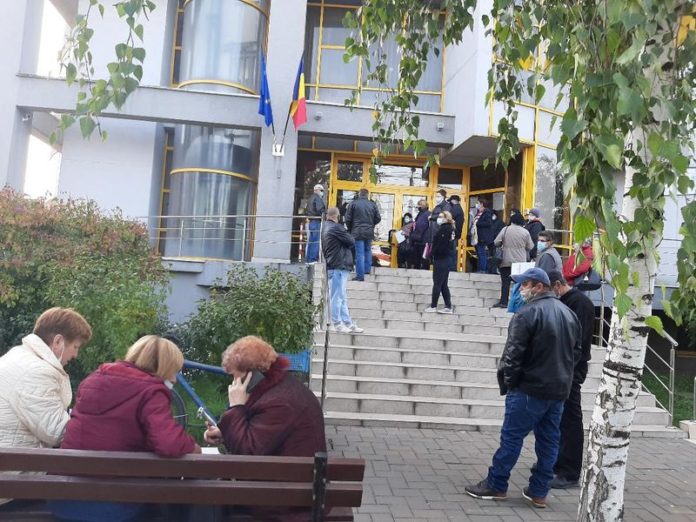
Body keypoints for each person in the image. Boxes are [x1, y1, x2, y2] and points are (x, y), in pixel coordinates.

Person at [465, 268, 581, 509]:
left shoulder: (526, 313)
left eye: (524, 285)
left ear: (539, 286)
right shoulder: (569, 314)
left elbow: (513, 355)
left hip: (529, 389)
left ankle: (496, 484)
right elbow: (576, 353)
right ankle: (539, 491)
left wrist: (511, 383)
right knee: (549, 442)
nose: (520, 290)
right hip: (557, 390)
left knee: (512, 438)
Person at [50, 335, 200, 522]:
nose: (174, 379)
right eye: (173, 371)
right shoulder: (152, 390)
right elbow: (168, 443)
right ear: (162, 367)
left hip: (64, 500)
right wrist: (194, 448)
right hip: (114, 507)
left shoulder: (93, 380)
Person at [0, 308, 92, 507]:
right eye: (75, 346)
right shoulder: (37, 371)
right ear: (58, 341)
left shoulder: (18, 357)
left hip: (10, 474)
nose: (75, 354)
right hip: (13, 485)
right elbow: (57, 431)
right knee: (87, 493)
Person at [547, 270, 595, 489]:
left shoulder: (580, 303)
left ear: (558, 285)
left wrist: (568, 367)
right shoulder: (564, 302)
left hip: (571, 369)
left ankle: (569, 471)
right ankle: (557, 462)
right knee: (558, 418)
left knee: (570, 419)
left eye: (549, 290)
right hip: (560, 367)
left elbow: (579, 341)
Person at [321, 207, 364, 333]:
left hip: (335, 265)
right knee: (337, 297)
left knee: (341, 296)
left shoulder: (325, 227)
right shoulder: (336, 228)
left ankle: (347, 323)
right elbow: (351, 241)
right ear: (336, 216)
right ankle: (337, 323)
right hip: (338, 266)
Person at [492, 212, 533, 308]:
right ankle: (521, 301)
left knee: (505, 282)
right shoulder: (525, 232)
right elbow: (530, 246)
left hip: (506, 260)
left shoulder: (505, 229)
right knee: (519, 282)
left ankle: (503, 301)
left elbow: (496, 242)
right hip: (520, 262)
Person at [345, 188, 381, 281]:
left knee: (359, 253)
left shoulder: (353, 204)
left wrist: (351, 228)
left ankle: (360, 276)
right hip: (369, 231)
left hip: (357, 231)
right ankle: (367, 270)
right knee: (368, 250)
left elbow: (347, 219)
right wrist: (371, 224)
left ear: (359, 194)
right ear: (367, 195)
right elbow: (378, 218)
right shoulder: (372, 204)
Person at [424, 211, 455, 314]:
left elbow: (441, 245)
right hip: (445, 259)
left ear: (446, 218)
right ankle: (448, 306)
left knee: (437, 283)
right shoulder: (449, 229)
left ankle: (433, 306)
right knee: (443, 284)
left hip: (441, 259)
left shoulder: (445, 229)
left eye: (441, 217)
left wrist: (432, 253)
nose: (439, 218)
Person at [471, 197, 495, 273]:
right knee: (479, 253)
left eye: (477, 203)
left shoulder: (487, 212)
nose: (476, 205)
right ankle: (481, 269)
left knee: (481, 253)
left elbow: (488, 223)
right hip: (477, 236)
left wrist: (477, 223)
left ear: (481, 204)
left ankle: (482, 269)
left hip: (483, 236)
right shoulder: (479, 213)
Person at [305, 184, 326, 263]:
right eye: (321, 190)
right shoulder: (317, 198)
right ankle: (312, 259)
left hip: (312, 221)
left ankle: (309, 259)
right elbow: (320, 209)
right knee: (316, 241)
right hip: (316, 221)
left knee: (311, 241)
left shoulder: (310, 198)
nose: (322, 192)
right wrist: (324, 214)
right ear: (317, 190)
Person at [409, 199, 431, 270]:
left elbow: (420, 227)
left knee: (422, 260)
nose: (417, 208)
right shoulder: (422, 214)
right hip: (420, 240)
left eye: (418, 206)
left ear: (422, 206)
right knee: (418, 259)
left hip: (422, 240)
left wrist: (413, 236)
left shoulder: (425, 214)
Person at [448, 195, 465, 271]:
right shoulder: (459, 208)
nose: (449, 203)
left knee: (451, 252)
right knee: (452, 251)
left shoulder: (456, 209)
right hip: (456, 233)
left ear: (454, 200)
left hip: (453, 234)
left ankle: (452, 269)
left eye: (450, 201)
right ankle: (452, 268)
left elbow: (448, 218)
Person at [488, 210, 506, 274]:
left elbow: (500, 233)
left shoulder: (500, 222)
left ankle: (494, 270)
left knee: (495, 257)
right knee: (490, 257)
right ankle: (490, 270)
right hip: (490, 242)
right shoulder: (490, 222)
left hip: (496, 243)